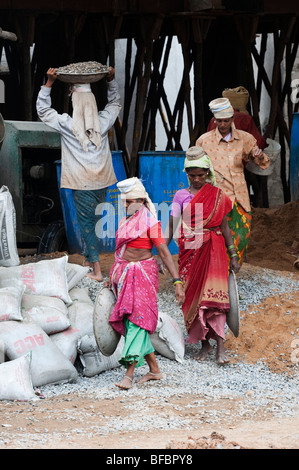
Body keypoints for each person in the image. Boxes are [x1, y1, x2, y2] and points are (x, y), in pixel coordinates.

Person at [36, 66, 121, 281]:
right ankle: (88, 261)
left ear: (75, 104)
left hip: (82, 183)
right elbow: (115, 104)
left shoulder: (68, 124)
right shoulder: (102, 122)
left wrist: (48, 84)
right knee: (93, 222)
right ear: (92, 103)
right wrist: (110, 81)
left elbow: (44, 112)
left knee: (87, 227)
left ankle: (97, 271)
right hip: (102, 181)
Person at [105, 177, 185, 390]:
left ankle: (129, 375)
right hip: (125, 276)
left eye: (129, 201)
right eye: (124, 202)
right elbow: (120, 255)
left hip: (143, 276)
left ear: (140, 201)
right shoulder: (125, 223)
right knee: (134, 321)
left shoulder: (150, 222)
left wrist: (177, 281)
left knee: (137, 322)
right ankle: (155, 370)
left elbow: (166, 254)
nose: (125, 205)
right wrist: (112, 276)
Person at [163, 147, 240, 364]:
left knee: (215, 299)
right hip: (189, 251)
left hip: (214, 250)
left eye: (201, 175)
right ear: (186, 174)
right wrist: (162, 252)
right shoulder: (181, 196)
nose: (197, 179)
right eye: (192, 175)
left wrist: (233, 253)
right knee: (192, 298)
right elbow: (172, 226)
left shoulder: (217, 195)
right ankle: (205, 345)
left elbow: (225, 228)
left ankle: (220, 348)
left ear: (208, 173)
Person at [196, 97, 270, 266]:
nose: (222, 125)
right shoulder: (204, 141)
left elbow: (263, 162)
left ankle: (230, 274)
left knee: (242, 236)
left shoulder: (245, 138)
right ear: (214, 120)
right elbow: (195, 169)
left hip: (240, 198)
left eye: (226, 121)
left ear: (232, 119)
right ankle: (219, 276)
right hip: (215, 198)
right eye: (219, 121)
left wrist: (257, 155)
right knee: (217, 238)